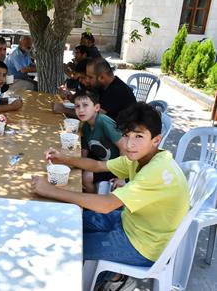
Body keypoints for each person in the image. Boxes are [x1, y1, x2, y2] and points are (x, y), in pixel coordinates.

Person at [32, 102, 189, 290]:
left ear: (156, 140)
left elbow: (107, 204)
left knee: (69, 247)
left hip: (144, 246)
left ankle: (109, 280)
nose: (130, 144)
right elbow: (98, 166)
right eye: (126, 135)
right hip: (129, 222)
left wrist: (50, 190)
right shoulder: (141, 156)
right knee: (67, 221)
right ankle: (112, 274)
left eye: (139, 136)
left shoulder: (156, 171)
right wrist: (63, 158)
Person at [72, 90, 124, 193]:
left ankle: (89, 205)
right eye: (77, 106)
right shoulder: (86, 126)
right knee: (76, 173)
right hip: (104, 163)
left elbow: (124, 147)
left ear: (97, 108)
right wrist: (78, 166)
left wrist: (121, 176)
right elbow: (85, 152)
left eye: (85, 105)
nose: (81, 110)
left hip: (120, 166)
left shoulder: (103, 121)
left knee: (86, 176)